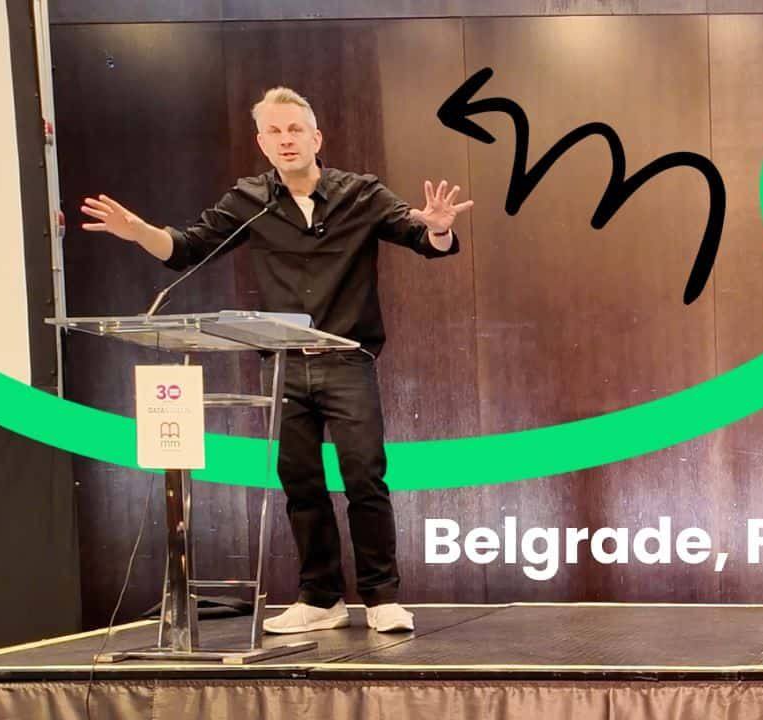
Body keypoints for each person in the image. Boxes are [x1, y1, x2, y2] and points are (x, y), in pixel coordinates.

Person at [79, 87, 472, 634]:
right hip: (282, 366)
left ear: (316, 138)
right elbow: (188, 248)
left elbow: (423, 239)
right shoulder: (251, 200)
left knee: (364, 477)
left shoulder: (360, 194)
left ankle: (382, 597)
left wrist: (438, 227)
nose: (286, 140)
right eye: (274, 132)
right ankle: (321, 599)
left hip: (346, 360)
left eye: (295, 130)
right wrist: (138, 232)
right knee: (300, 483)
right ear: (262, 143)